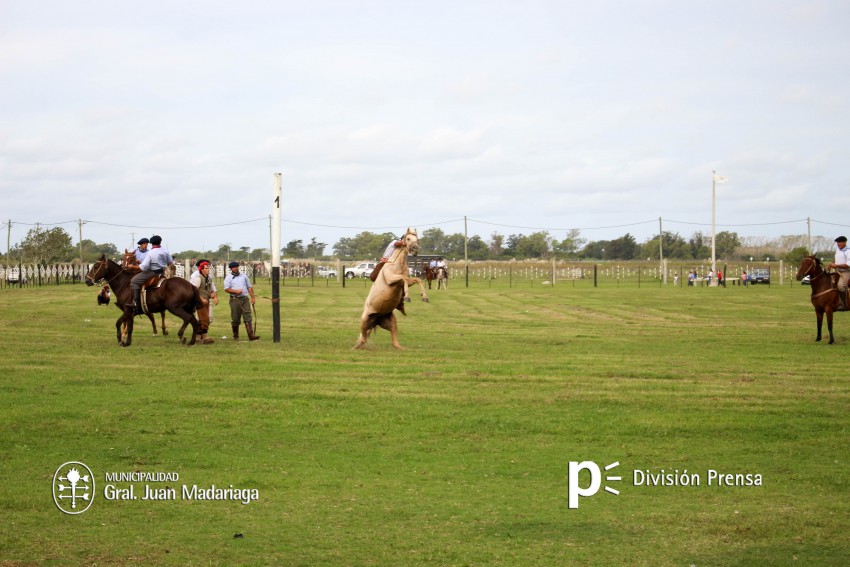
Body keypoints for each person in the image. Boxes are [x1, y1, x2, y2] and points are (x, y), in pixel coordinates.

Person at [130, 235, 174, 313]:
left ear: (151, 244)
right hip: (162, 272)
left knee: (134, 281)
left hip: (152, 272)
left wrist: (132, 266)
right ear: (160, 242)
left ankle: (136, 303)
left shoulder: (150, 253)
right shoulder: (165, 251)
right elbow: (170, 262)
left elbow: (143, 267)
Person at [224, 261, 259, 340]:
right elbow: (226, 289)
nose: (235, 268)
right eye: (233, 267)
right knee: (235, 318)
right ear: (231, 269)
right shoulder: (228, 278)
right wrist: (236, 291)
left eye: (236, 267)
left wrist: (253, 297)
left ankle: (251, 335)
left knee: (248, 317)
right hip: (235, 300)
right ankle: (236, 336)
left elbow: (249, 287)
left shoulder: (244, 276)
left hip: (245, 299)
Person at [190, 259, 218, 344]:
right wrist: (201, 299)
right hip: (200, 303)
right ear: (201, 269)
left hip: (207, 301)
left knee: (205, 319)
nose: (208, 269)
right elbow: (194, 290)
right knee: (205, 318)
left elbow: (210, 289)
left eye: (208, 268)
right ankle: (205, 336)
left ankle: (198, 336)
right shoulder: (198, 279)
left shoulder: (209, 279)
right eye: (206, 268)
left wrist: (213, 295)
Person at [830, 236, 850, 311]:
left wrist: (836, 265)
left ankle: (844, 304)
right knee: (830, 284)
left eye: (840, 242)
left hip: (846, 272)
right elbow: (835, 259)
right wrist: (832, 264)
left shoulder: (848, 251)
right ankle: (834, 303)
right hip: (836, 271)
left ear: (845, 242)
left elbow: (848, 265)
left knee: (840, 286)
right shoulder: (837, 250)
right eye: (837, 242)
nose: (838, 244)